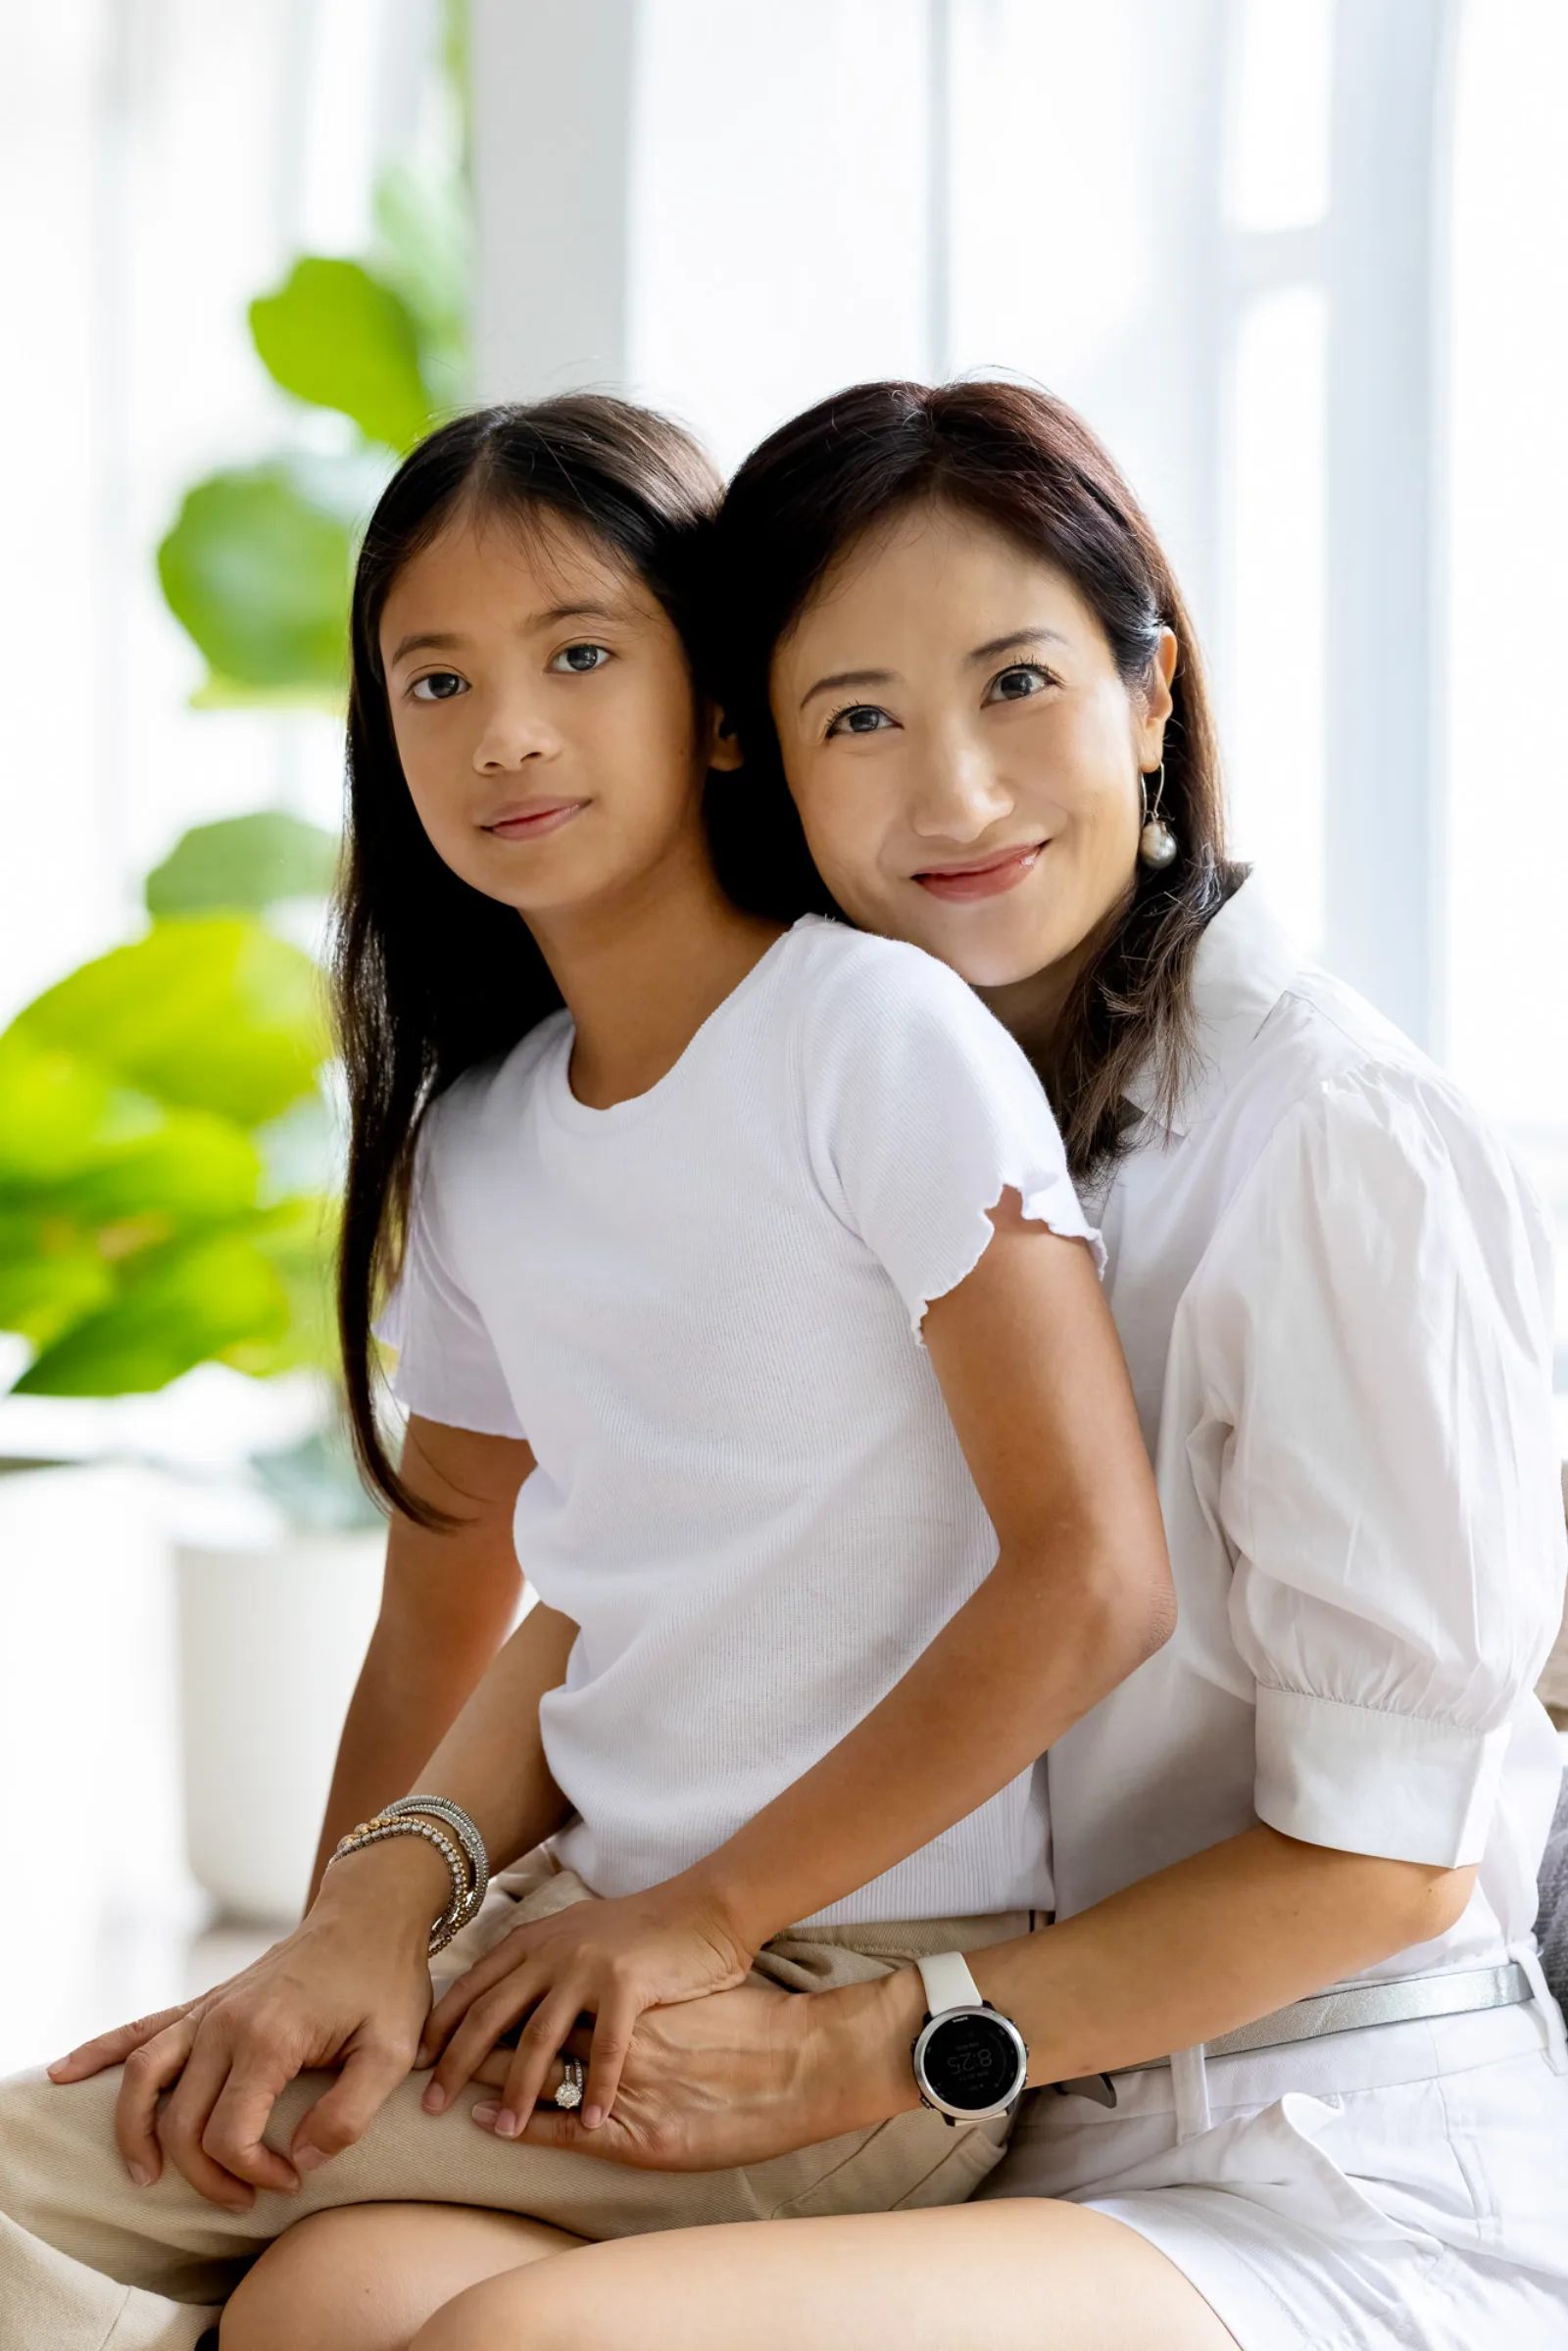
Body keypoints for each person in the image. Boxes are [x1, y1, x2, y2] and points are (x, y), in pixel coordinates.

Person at [218, 381, 1568, 2351]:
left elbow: (1378, 1867)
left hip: (1312, 2150)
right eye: (855, 714)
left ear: (1152, 693)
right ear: (758, 756)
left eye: (1017, 684)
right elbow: (623, 1580)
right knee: (327, 2290)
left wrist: (865, 2045)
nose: (950, 791)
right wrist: (368, 1910)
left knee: (526, 2341)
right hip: (1015, 2131)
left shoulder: (1329, 1135)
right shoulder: (898, 1096)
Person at [0, 391, 1177, 2350]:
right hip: (563, 1940)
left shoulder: (865, 1034)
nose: (503, 733)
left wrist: (698, 1916)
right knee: (311, 2290)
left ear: (717, 704)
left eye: (576, 655)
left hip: (817, 1995)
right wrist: (332, 1948)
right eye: (431, 680)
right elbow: (439, 1611)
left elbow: (1095, 1573)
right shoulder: (485, 1134)